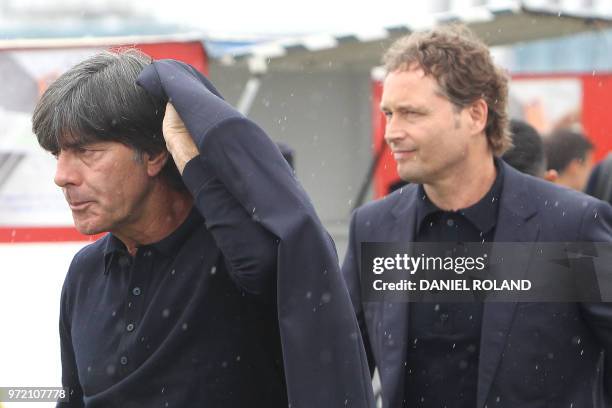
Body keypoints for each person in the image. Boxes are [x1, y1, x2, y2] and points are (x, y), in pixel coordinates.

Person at [32, 50, 373, 407]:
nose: (62, 176)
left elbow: (269, 266)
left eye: (87, 152)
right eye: (58, 155)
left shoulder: (233, 255)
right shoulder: (85, 273)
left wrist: (191, 155)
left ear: (154, 154)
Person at [341, 25, 612, 408]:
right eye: (388, 113)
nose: (392, 132)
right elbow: (340, 365)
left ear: (475, 115)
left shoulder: (571, 225)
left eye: (411, 114)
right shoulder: (374, 227)